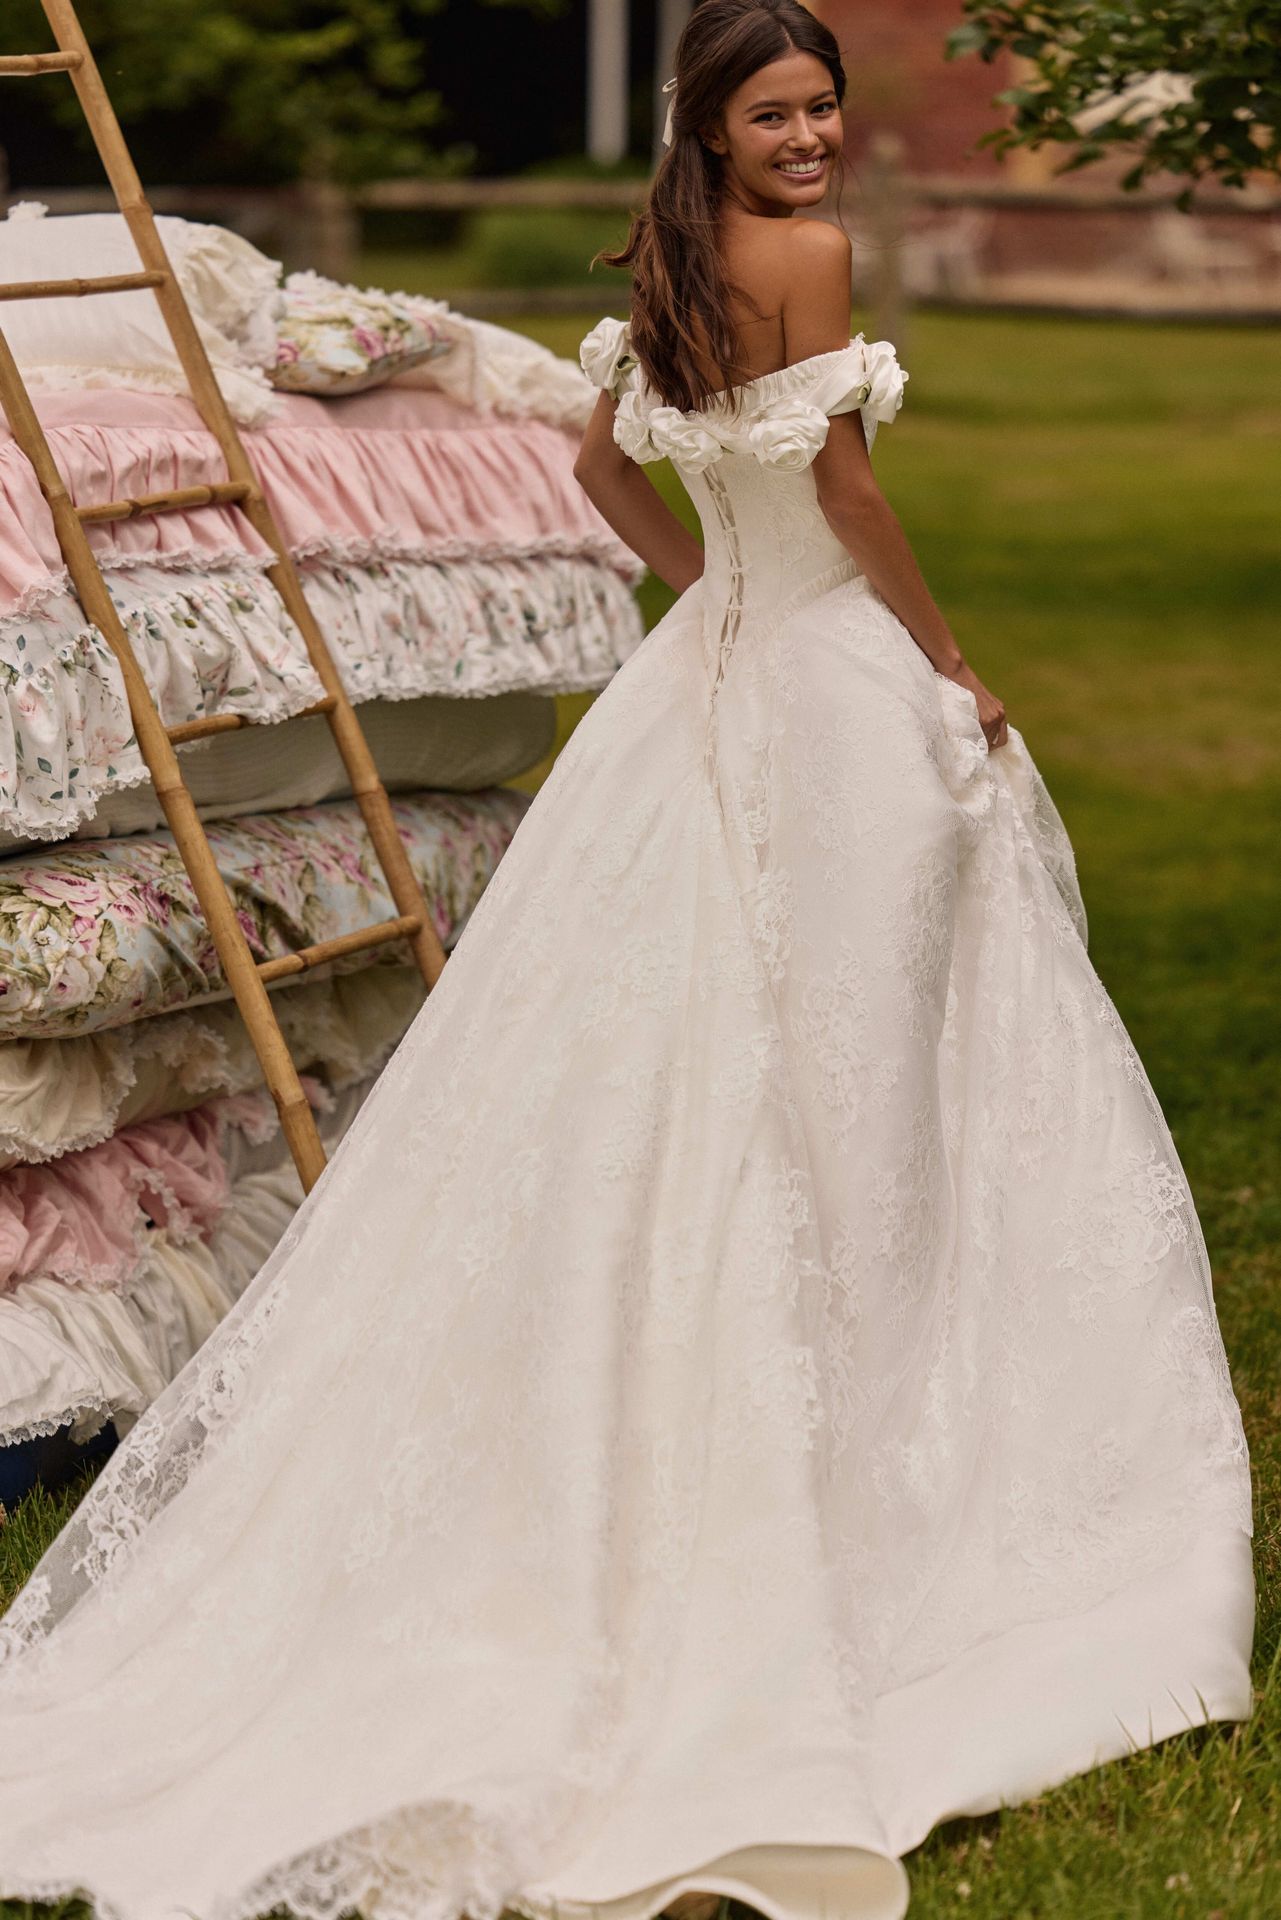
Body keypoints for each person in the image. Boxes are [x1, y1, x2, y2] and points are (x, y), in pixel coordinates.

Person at [0, 4, 1255, 1918]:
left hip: (707, 676)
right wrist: (942, 662)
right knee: (850, 1029)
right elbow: (845, 493)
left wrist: (704, 594)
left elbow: (604, 469)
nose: (812, 136)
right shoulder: (806, 258)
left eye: (824, 106)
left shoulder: (665, 258)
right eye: (778, 112)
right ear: (714, 126)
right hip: (817, 674)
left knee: (681, 1023)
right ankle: (872, 1367)